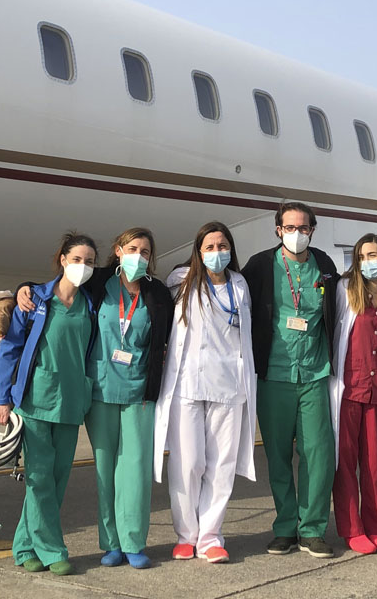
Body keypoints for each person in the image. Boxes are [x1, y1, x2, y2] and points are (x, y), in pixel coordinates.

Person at [16, 228, 173, 569]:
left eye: (145, 252)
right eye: (132, 249)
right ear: (118, 251)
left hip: (139, 392)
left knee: (134, 469)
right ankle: (111, 544)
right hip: (99, 391)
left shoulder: (158, 294)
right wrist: (20, 290)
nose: (138, 257)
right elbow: (54, 290)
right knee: (104, 470)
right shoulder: (98, 282)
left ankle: (133, 541)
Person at [0, 232, 98, 576]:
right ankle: (53, 550)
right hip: (35, 400)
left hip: (71, 401)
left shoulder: (90, 304)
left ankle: (24, 547)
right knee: (39, 478)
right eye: (78, 259)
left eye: (90, 261)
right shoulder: (35, 299)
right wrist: (3, 399)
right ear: (63, 260)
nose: (83, 266)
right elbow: (9, 349)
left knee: (57, 478)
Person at [241, 201, 339, 558]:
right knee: (279, 456)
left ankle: (312, 529)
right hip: (275, 375)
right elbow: (232, 297)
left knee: (318, 454)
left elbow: (342, 304)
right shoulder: (260, 266)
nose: (297, 234)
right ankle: (285, 526)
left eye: (303, 228)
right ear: (278, 230)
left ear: (312, 230)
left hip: (314, 373)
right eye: (290, 228)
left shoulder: (325, 265)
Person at [155, 221, 257, 564]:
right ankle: (186, 535)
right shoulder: (181, 282)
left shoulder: (240, 284)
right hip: (188, 386)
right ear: (198, 251)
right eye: (210, 247)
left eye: (222, 246)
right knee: (188, 464)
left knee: (221, 466)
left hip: (229, 388)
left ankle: (210, 537)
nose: (217, 253)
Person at [329, 233, 377, 555]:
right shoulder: (345, 291)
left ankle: (375, 525)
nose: (368, 263)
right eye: (362, 257)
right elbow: (334, 332)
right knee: (344, 463)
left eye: (374, 256)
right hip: (350, 388)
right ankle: (352, 529)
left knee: (374, 465)